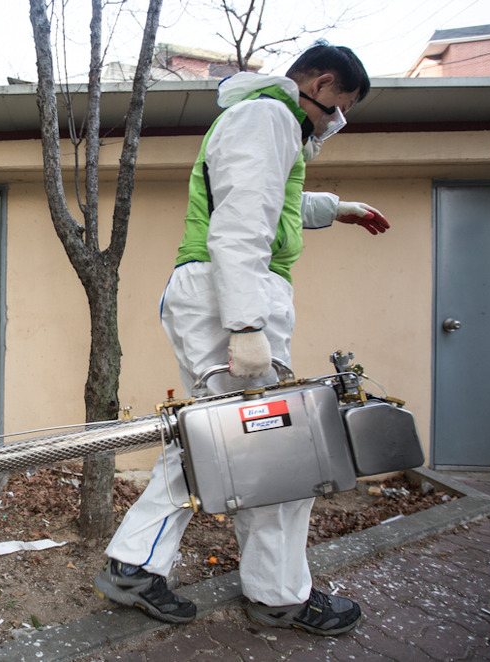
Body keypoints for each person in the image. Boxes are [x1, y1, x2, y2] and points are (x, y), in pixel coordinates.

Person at [94, 43, 389, 635]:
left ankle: (134, 564)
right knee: (278, 449)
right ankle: (279, 594)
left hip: (218, 293)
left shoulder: (263, 117)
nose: (336, 121)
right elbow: (240, 224)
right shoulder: (271, 116)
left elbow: (274, 203)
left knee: (215, 443)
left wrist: (340, 208)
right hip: (230, 298)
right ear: (323, 83)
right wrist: (248, 327)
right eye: (341, 106)